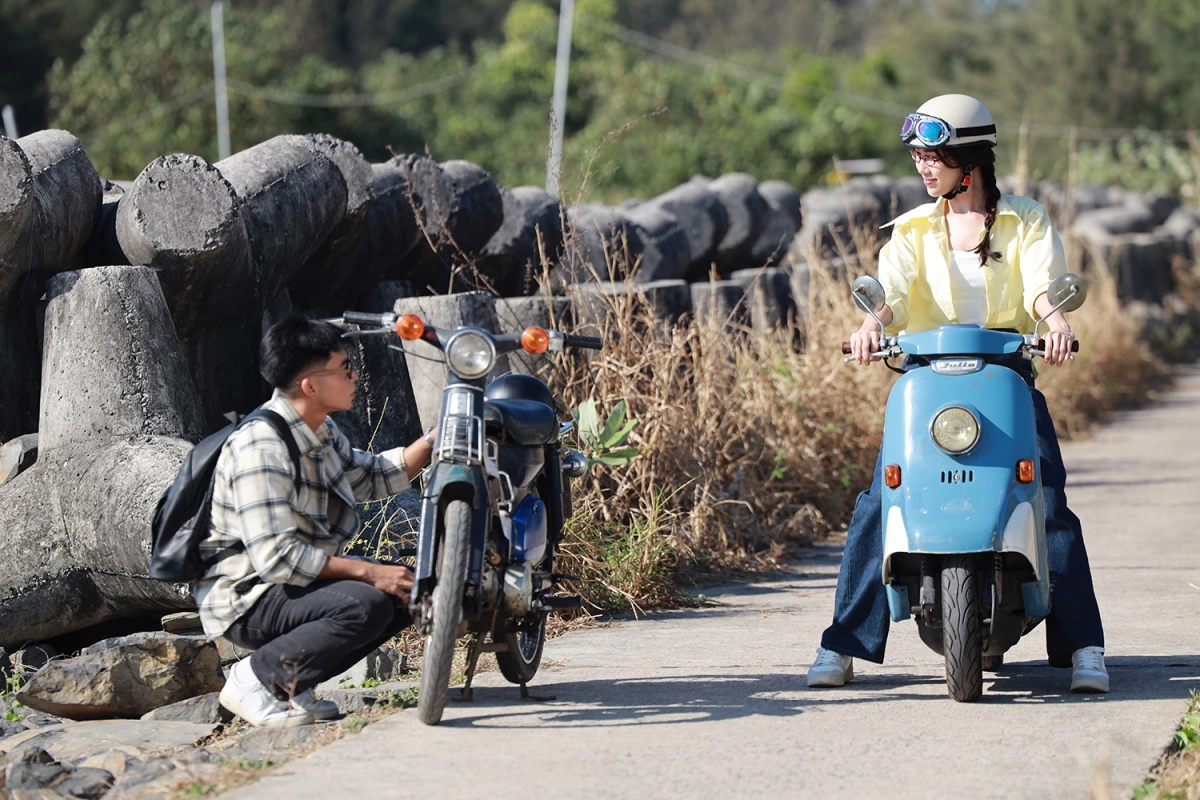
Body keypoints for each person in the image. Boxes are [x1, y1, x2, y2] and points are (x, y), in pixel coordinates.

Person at [806, 94, 1109, 693]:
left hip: (1005, 377)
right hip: (926, 382)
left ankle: (1084, 647)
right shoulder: (914, 229)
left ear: (969, 159)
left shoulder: (1025, 220)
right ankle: (842, 645)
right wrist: (869, 326)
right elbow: (890, 291)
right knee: (879, 502)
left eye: (933, 156)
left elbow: (1042, 284)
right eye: (918, 156)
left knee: (1047, 500)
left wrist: (1055, 321)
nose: (923, 167)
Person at [195, 313, 436, 727]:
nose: (354, 377)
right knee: (365, 603)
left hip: (290, 584)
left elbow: (372, 476)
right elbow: (278, 558)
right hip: (247, 596)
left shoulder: (320, 430)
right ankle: (255, 679)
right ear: (310, 385)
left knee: (403, 592)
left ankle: (293, 685)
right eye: (344, 369)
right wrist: (370, 571)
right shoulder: (262, 447)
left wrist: (434, 439)